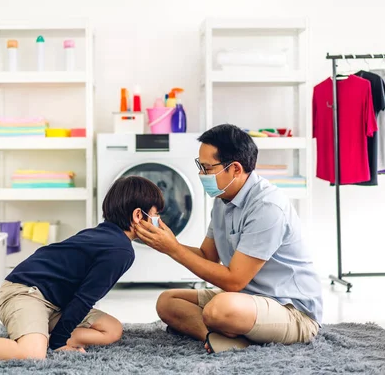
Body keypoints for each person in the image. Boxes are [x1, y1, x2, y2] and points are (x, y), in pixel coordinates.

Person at [0, 175, 164, 364]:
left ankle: (41, 334)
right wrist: (60, 343)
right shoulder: (120, 250)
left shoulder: (106, 236)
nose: (159, 222)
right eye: (155, 214)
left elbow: (79, 296)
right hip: (25, 293)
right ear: (138, 216)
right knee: (31, 353)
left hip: (55, 302)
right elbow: (85, 298)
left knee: (112, 329)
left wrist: (60, 335)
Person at [135, 124, 323, 354]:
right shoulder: (223, 199)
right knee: (167, 301)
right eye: (200, 167)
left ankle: (227, 330)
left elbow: (234, 281)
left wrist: (174, 249)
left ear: (234, 169)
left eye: (206, 168)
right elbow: (207, 257)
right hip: (247, 299)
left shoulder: (267, 206)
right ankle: (217, 337)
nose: (201, 174)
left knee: (219, 309)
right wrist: (166, 243)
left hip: (292, 311)